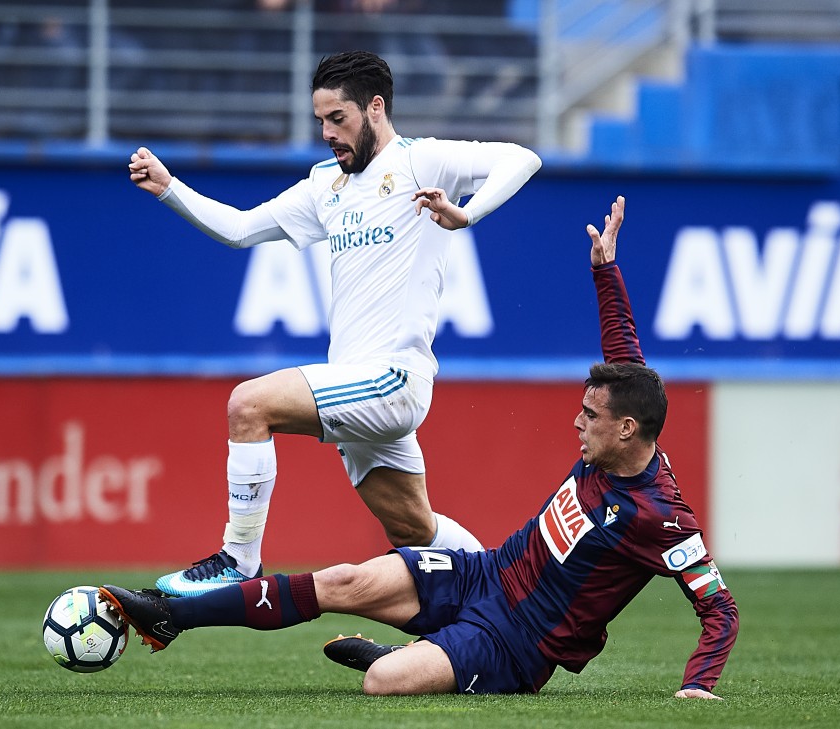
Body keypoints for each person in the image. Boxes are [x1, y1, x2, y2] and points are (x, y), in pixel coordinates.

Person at [99, 196, 740, 698]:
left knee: (382, 685)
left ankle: (403, 662)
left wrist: (697, 686)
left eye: (590, 415)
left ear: (629, 429)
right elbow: (623, 349)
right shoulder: (626, 411)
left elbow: (720, 610)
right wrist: (606, 270)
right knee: (343, 580)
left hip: (514, 643)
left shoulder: (660, 516)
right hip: (483, 574)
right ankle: (170, 617)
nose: (577, 423)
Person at [128, 50, 542, 596]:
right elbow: (241, 229)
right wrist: (169, 188)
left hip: (392, 379)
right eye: (319, 120)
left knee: (247, 405)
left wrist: (468, 212)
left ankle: (238, 559)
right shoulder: (327, 185)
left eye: (337, 118)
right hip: (356, 381)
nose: (326, 132)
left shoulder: (425, 161)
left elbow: (522, 158)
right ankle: (512, 597)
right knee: (415, 530)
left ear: (375, 108)